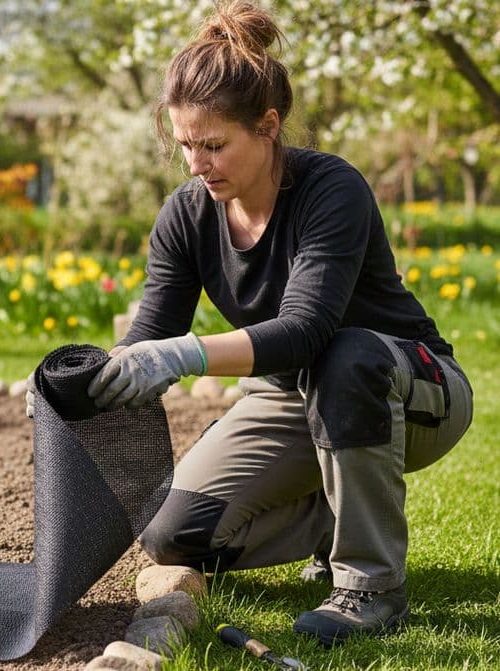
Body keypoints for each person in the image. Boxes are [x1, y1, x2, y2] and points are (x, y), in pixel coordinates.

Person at [29, 0, 474, 646]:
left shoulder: (331, 190)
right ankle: (332, 515)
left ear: (267, 127)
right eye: (184, 145)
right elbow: (147, 336)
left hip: (406, 386)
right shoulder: (186, 215)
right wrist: (80, 386)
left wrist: (182, 357)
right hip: (291, 396)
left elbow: (304, 331)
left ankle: (370, 586)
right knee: (172, 533)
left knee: (344, 356)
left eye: (213, 145)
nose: (195, 164)